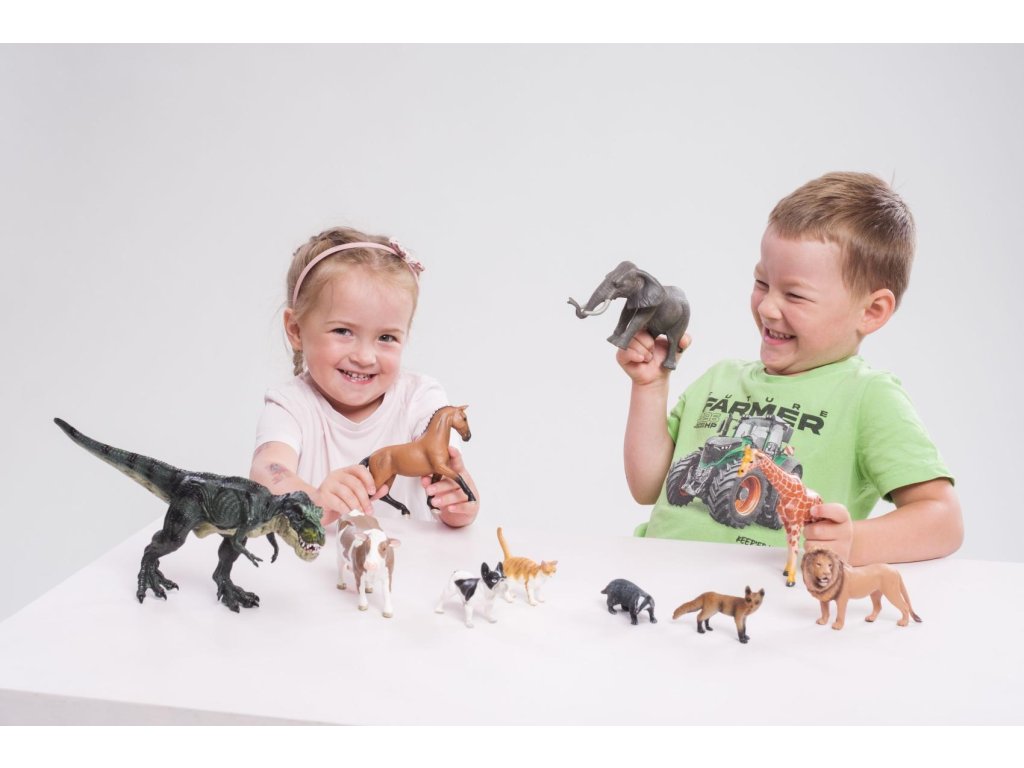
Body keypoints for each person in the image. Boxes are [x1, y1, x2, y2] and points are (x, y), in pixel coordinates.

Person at [620, 172, 962, 565]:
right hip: (658, 574)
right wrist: (649, 387)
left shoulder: (866, 397)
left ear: (871, 311)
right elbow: (648, 488)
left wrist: (853, 542)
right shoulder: (719, 378)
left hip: (760, 593)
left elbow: (944, 520)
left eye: (795, 295)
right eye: (762, 282)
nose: (767, 307)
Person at [249, 226, 479, 529]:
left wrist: (459, 502)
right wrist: (313, 498)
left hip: (407, 560)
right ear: (296, 330)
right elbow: (267, 471)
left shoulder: (421, 398)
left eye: (386, 337)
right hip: (314, 559)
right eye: (343, 331)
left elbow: (454, 480)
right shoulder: (290, 405)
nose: (365, 356)